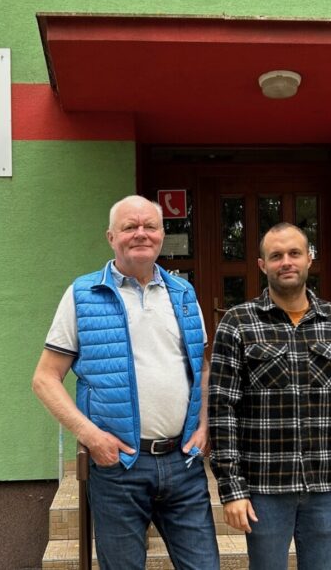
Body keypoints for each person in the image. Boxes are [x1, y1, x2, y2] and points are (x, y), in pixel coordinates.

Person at [32, 195, 220, 570]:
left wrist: (205, 426)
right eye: (129, 227)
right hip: (119, 468)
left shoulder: (184, 294)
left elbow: (201, 368)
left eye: (150, 226)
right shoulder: (84, 294)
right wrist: (91, 436)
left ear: (162, 235)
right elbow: (45, 378)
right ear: (111, 237)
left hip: (183, 463)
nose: (141, 234)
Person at [209, 222, 331, 570]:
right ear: (262, 265)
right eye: (276, 256)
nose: (286, 262)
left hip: (326, 487)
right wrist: (232, 487)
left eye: (294, 253)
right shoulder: (238, 323)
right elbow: (223, 409)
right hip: (264, 488)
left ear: (309, 259)